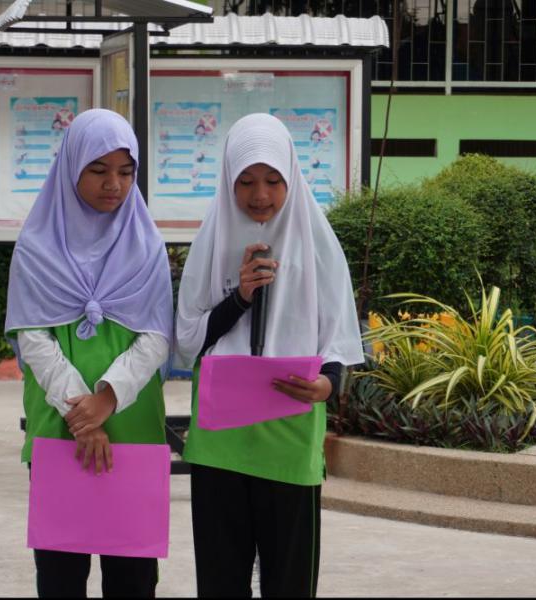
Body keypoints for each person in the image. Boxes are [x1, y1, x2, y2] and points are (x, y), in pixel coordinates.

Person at [175, 113, 364, 598]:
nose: (260, 195)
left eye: (273, 181)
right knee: (221, 580)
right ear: (229, 181)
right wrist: (240, 296)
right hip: (221, 440)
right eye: (246, 181)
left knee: (290, 579)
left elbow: (337, 338)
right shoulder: (212, 241)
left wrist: (327, 384)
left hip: (289, 433)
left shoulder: (317, 243)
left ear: (291, 177)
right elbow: (188, 338)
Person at [5, 108, 173, 598]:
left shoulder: (146, 246)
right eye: (98, 170)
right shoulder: (37, 247)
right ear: (71, 167)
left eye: (125, 171)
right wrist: (82, 414)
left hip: (133, 429)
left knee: (133, 579)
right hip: (60, 429)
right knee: (60, 574)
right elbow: (33, 337)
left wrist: (108, 398)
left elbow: (157, 336)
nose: (113, 184)